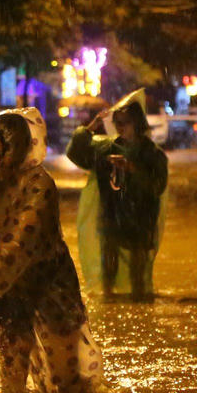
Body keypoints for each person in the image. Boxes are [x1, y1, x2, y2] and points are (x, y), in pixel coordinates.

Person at [0, 108, 105, 393]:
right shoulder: (0, 182)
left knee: (70, 390)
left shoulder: (40, 185)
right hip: (11, 291)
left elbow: (23, 239)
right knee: (11, 384)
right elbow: (2, 227)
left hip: (50, 290)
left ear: (15, 150)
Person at [65, 88, 168, 299]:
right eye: (117, 122)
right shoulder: (106, 148)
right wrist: (90, 128)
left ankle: (140, 300)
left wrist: (133, 170)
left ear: (137, 124)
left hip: (141, 217)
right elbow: (77, 153)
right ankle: (109, 297)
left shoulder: (152, 153)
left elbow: (158, 186)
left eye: (125, 122)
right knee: (109, 262)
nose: (120, 127)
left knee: (139, 267)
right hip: (112, 214)